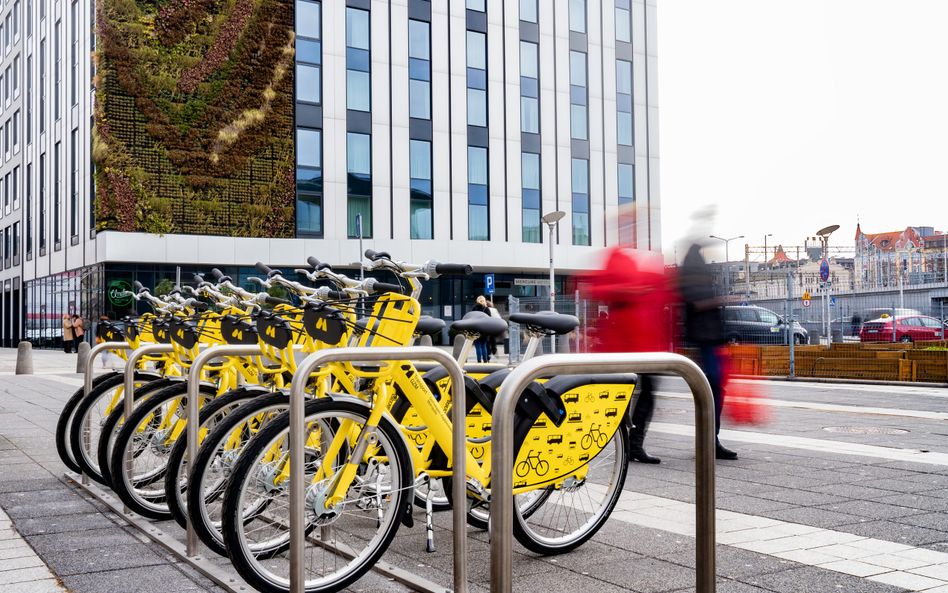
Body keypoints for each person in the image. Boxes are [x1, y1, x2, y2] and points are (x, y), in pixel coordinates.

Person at [583, 245, 672, 465]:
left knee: (648, 393)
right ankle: (618, 440)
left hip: (645, 341)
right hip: (623, 342)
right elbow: (596, 288)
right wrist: (630, 291)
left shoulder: (638, 263)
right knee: (620, 394)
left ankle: (635, 445)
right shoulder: (616, 257)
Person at [679, 241, 738, 460]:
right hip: (705, 337)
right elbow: (694, 303)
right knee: (713, 387)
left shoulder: (695, 267)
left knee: (715, 387)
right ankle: (709, 439)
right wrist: (720, 300)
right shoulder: (693, 268)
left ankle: (710, 438)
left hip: (711, 336)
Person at [472, 296, 491, 363]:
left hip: (477, 329)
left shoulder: (475, 308)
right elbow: (489, 320)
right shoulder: (486, 309)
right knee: (484, 346)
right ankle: (485, 360)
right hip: (485, 330)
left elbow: (472, 319)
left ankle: (479, 360)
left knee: (478, 346)